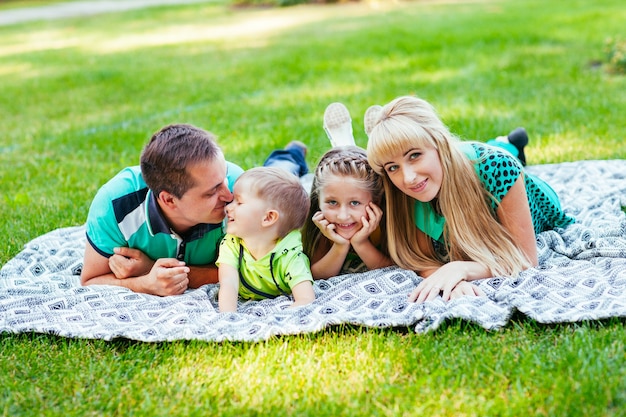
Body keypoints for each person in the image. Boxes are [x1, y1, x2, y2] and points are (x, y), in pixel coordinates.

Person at [364, 95, 576, 303]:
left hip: (519, 188)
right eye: (393, 167)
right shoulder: (408, 191)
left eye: (414, 155)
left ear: (439, 143)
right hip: (458, 166)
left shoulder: (497, 167)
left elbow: (526, 260)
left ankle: (510, 145)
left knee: (497, 155)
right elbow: (424, 260)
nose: (408, 178)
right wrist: (452, 282)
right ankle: (506, 142)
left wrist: (461, 268)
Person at [81, 123, 305, 296]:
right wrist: (144, 284)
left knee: (287, 185)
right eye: (211, 192)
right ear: (169, 200)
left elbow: (253, 270)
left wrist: (149, 269)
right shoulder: (115, 205)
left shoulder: (237, 190)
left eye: (223, 177)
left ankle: (290, 155)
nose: (229, 197)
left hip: (269, 187)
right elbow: (90, 280)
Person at [216, 167, 315, 312]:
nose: (228, 207)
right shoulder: (231, 243)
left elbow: (306, 298)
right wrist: (228, 317)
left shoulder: (290, 256)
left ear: (268, 218)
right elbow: (228, 284)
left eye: (239, 202)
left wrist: (277, 321)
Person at [301, 146, 394, 279]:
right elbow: (316, 275)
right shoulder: (324, 225)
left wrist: (361, 243)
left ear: (376, 201)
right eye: (332, 202)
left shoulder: (386, 224)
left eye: (355, 203)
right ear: (319, 200)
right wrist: (340, 246)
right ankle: (293, 153)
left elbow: (391, 270)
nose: (343, 216)